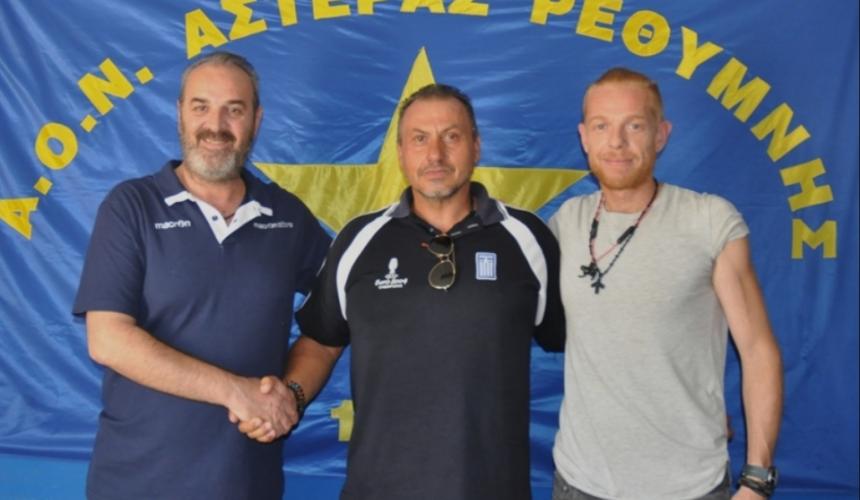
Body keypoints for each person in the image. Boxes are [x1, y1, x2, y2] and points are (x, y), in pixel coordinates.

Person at [253, 83, 565, 499]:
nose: (435, 154)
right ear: (400, 152)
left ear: (476, 146)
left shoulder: (528, 241)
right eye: (419, 138)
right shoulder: (359, 241)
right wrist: (288, 397)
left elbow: (576, 342)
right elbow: (322, 342)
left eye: (451, 136)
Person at [73, 51, 331, 500]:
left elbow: (336, 320)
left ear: (256, 120)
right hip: (137, 485)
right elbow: (107, 339)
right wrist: (235, 392)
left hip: (249, 484)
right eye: (201, 107)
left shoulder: (287, 216)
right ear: (180, 114)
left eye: (234, 109)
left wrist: (291, 395)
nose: (216, 125)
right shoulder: (132, 207)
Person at [549, 67, 783, 500]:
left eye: (634, 126)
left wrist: (756, 479)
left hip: (690, 487)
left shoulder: (709, 221)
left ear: (661, 135)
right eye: (601, 126)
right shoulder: (566, 223)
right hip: (580, 483)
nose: (616, 142)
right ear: (584, 138)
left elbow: (757, 350)